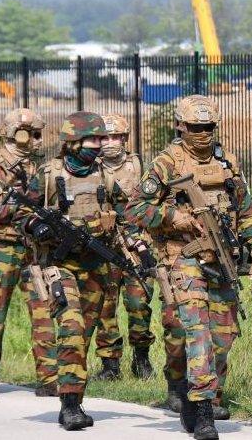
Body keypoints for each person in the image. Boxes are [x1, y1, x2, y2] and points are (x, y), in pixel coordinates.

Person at [124, 95, 252, 440]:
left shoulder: (228, 163)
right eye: (195, 127)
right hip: (182, 258)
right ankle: (204, 411)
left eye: (209, 127)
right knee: (197, 331)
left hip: (222, 259)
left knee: (223, 336)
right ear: (180, 126)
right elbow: (135, 210)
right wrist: (177, 217)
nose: (203, 134)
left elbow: (246, 212)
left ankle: (192, 396)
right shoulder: (166, 164)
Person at [20, 111, 152, 430]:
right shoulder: (49, 173)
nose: (99, 144)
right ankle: (70, 404)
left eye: (101, 139)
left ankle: (76, 392)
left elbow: (125, 214)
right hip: (58, 266)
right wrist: (36, 226)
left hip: (95, 267)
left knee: (87, 335)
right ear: (74, 141)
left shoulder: (106, 175)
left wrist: (140, 247)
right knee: (72, 329)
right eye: (93, 139)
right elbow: (21, 210)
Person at [0, 108, 59, 397]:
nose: (38, 140)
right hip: (3, 251)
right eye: (33, 134)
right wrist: (16, 208)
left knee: (44, 311)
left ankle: (48, 379)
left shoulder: (37, 167)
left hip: (34, 250)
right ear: (17, 135)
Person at [93, 113, 156, 380]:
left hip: (136, 246)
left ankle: (141, 359)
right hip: (104, 247)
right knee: (105, 307)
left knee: (139, 303)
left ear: (124, 139)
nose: (110, 143)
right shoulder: (91, 168)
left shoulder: (138, 165)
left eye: (115, 137)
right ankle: (110, 365)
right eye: (105, 137)